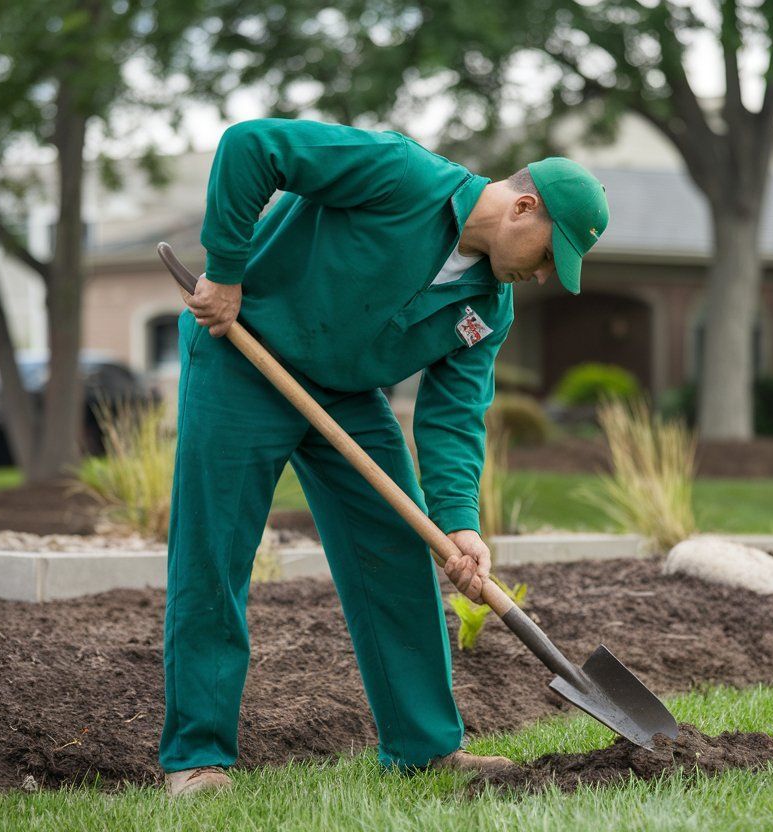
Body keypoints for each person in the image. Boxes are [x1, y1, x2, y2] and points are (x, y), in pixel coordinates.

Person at [161, 118, 609, 797]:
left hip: (344, 395)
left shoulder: (490, 307)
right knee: (214, 555)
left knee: (400, 552)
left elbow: (454, 415)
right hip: (243, 358)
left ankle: (422, 747)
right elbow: (250, 147)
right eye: (551, 254)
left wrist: (459, 523)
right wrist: (224, 272)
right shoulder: (401, 174)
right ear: (523, 208)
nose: (545, 275)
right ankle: (197, 756)